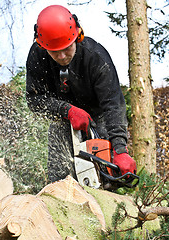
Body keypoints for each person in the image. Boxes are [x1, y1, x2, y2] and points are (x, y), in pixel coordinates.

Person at [26, 5, 137, 184]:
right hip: (63, 120)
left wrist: (120, 149)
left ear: (78, 36)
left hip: (98, 118)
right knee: (60, 179)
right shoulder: (38, 56)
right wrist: (66, 110)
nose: (62, 56)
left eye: (67, 48)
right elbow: (34, 99)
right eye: (55, 51)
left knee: (104, 178)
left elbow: (113, 104)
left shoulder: (96, 58)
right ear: (42, 45)